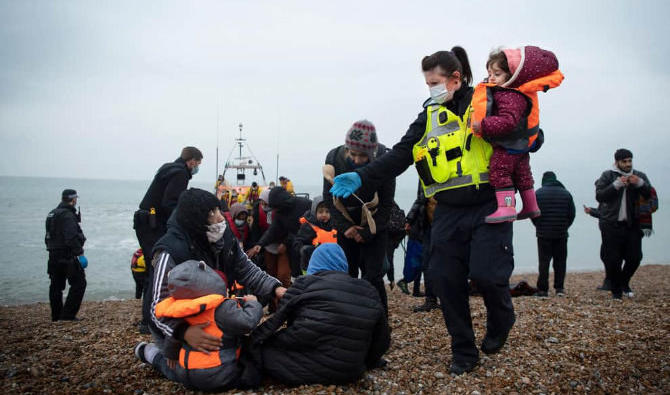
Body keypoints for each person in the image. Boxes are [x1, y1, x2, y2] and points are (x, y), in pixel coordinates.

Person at [330, 48, 515, 375]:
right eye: (427, 83)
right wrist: (362, 175)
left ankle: (503, 319)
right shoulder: (428, 114)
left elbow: (529, 130)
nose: (430, 88)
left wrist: (517, 132)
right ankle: (464, 351)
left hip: (489, 204)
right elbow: (400, 154)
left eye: (434, 82)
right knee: (444, 279)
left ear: (455, 79)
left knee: (488, 275)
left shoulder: (488, 100)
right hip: (447, 210)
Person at [250, 244, 390, 386]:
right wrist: (368, 361)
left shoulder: (304, 283)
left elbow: (275, 321)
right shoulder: (368, 290)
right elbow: (382, 340)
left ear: (314, 264)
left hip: (305, 369)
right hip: (351, 371)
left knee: (264, 351)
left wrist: (252, 342)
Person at [135, 260, 263, 391]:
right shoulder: (221, 308)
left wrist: (171, 355)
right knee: (250, 371)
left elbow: (173, 337)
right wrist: (253, 303)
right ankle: (150, 354)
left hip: (185, 373)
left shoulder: (182, 309)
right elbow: (247, 322)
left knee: (171, 368)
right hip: (216, 373)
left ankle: (147, 353)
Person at [471, 46, 564, 223]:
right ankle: (531, 205)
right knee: (523, 175)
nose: (491, 78)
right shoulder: (521, 92)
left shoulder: (509, 95)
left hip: (508, 146)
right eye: (490, 73)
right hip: (521, 146)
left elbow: (508, 121)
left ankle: (506, 207)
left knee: (499, 172)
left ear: (512, 75)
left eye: (497, 74)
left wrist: (482, 125)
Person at [323, 120, 395, 314]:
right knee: (347, 274)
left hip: (374, 222)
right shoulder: (333, 157)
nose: (356, 160)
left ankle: (379, 323)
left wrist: (367, 233)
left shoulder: (384, 160)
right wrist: (345, 226)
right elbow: (329, 199)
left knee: (373, 276)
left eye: (362, 156)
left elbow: (387, 204)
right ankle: (348, 318)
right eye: (352, 154)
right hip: (346, 222)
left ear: (371, 154)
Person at [134, 146, 202, 334]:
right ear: (192, 161)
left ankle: (148, 317)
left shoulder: (169, 168)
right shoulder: (180, 173)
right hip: (152, 224)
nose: (198, 168)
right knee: (156, 269)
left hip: (145, 221)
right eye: (198, 163)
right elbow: (170, 203)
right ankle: (149, 321)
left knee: (152, 268)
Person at [595, 149, 653, 299]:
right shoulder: (607, 175)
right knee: (612, 259)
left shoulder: (639, 176)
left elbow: (650, 194)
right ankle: (616, 292)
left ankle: (624, 282)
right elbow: (600, 196)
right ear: (617, 162)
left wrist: (639, 183)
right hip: (611, 224)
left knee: (635, 257)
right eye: (624, 161)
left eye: (630, 161)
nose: (628, 164)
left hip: (633, 224)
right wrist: (616, 185)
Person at [246, 187, 312, 286]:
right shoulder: (279, 212)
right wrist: (260, 244)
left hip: (307, 246)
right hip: (293, 249)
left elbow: (299, 231)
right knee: (292, 276)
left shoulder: (305, 204)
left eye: (275, 207)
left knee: (288, 275)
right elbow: (273, 229)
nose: (274, 210)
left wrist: (286, 243)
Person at [44, 189, 87, 321]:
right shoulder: (67, 215)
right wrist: (80, 254)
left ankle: (56, 316)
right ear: (73, 199)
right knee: (79, 283)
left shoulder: (52, 213)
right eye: (75, 199)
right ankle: (67, 315)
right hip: (67, 255)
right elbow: (71, 237)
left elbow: (48, 236)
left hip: (53, 255)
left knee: (56, 286)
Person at [531, 171, 575, 297]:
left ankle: (543, 290)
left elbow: (532, 213)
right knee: (560, 262)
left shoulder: (538, 193)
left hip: (543, 234)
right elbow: (572, 214)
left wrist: (538, 225)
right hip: (561, 233)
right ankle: (559, 288)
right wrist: (565, 226)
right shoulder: (566, 193)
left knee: (544, 262)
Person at [292, 195, 337, 273]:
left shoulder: (335, 225)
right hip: (312, 264)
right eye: (320, 212)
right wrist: (307, 250)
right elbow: (297, 243)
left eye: (327, 211)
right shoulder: (308, 226)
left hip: (331, 263)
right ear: (314, 212)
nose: (324, 214)